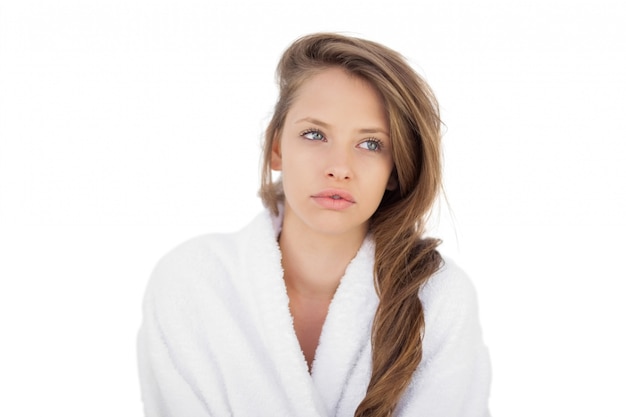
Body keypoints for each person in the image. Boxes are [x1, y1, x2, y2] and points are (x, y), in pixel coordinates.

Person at [137, 33, 491, 416]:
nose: (339, 167)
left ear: (395, 168)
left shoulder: (438, 298)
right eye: (314, 134)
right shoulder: (192, 283)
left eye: (371, 144)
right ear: (276, 148)